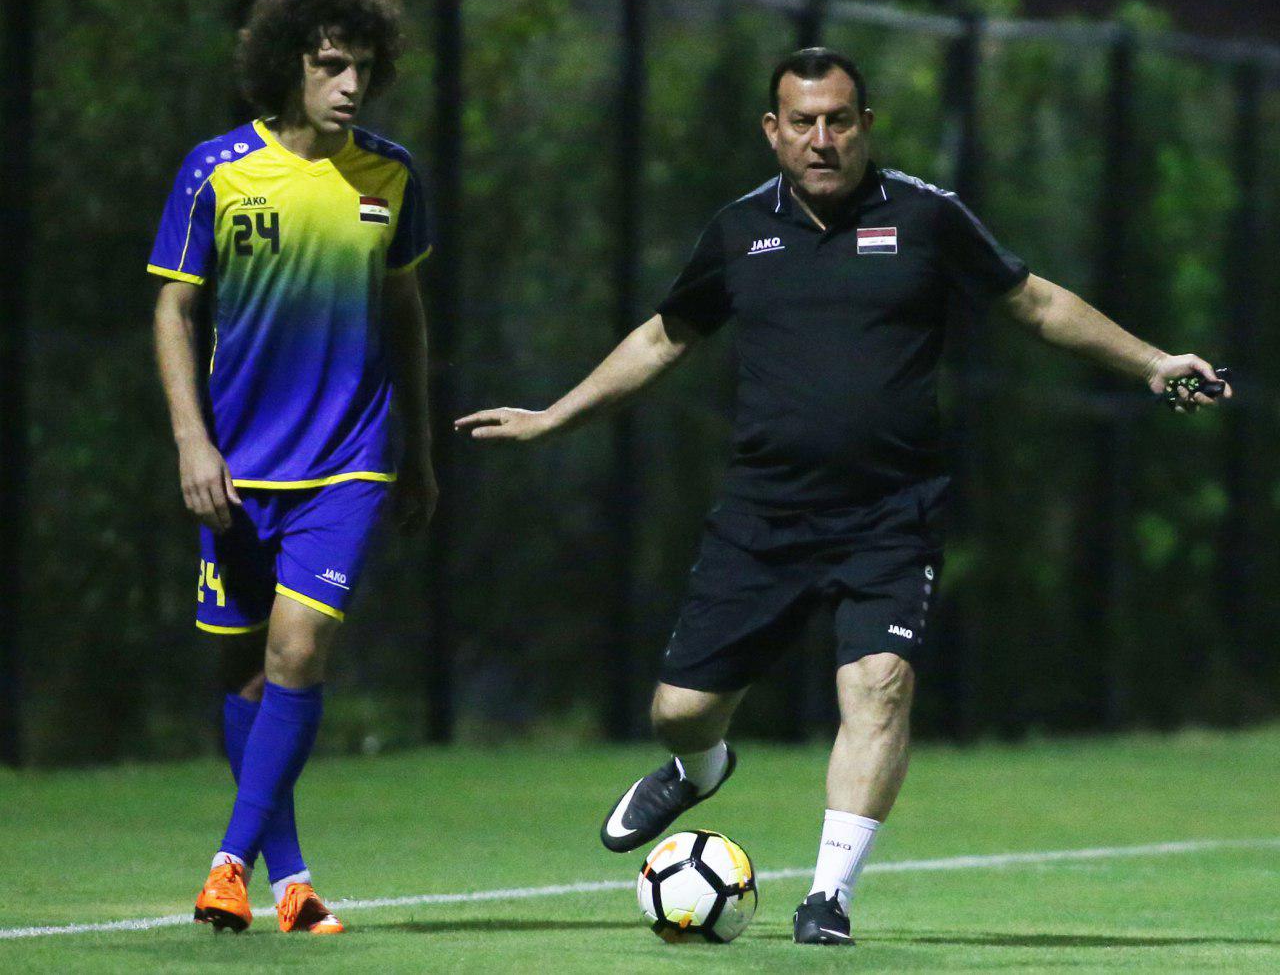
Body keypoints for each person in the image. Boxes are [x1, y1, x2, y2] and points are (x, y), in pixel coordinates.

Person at [454, 47, 1229, 946]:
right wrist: (555, 417)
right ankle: (699, 769)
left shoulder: (927, 216)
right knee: (679, 710)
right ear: (773, 131)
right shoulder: (740, 231)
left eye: (838, 121)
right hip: (763, 515)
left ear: (865, 126)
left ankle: (828, 898)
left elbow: (1037, 304)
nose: (821, 139)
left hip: (891, 514)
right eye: (803, 123)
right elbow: (663, 340)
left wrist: (1152, 363)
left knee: (880, 687)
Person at [149, 0, 436, 935]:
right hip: (235, 467)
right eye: (329, 65)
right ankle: (293, 881)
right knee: (245, 675)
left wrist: (416, 449)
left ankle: (227, 865)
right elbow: (174, 309)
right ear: (289, 64)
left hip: (348, 464)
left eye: (363, 67)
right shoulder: (216, 171)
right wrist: (192, 444)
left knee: (298, 649)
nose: (350, 84)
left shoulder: (391, 176)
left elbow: (406, 315)